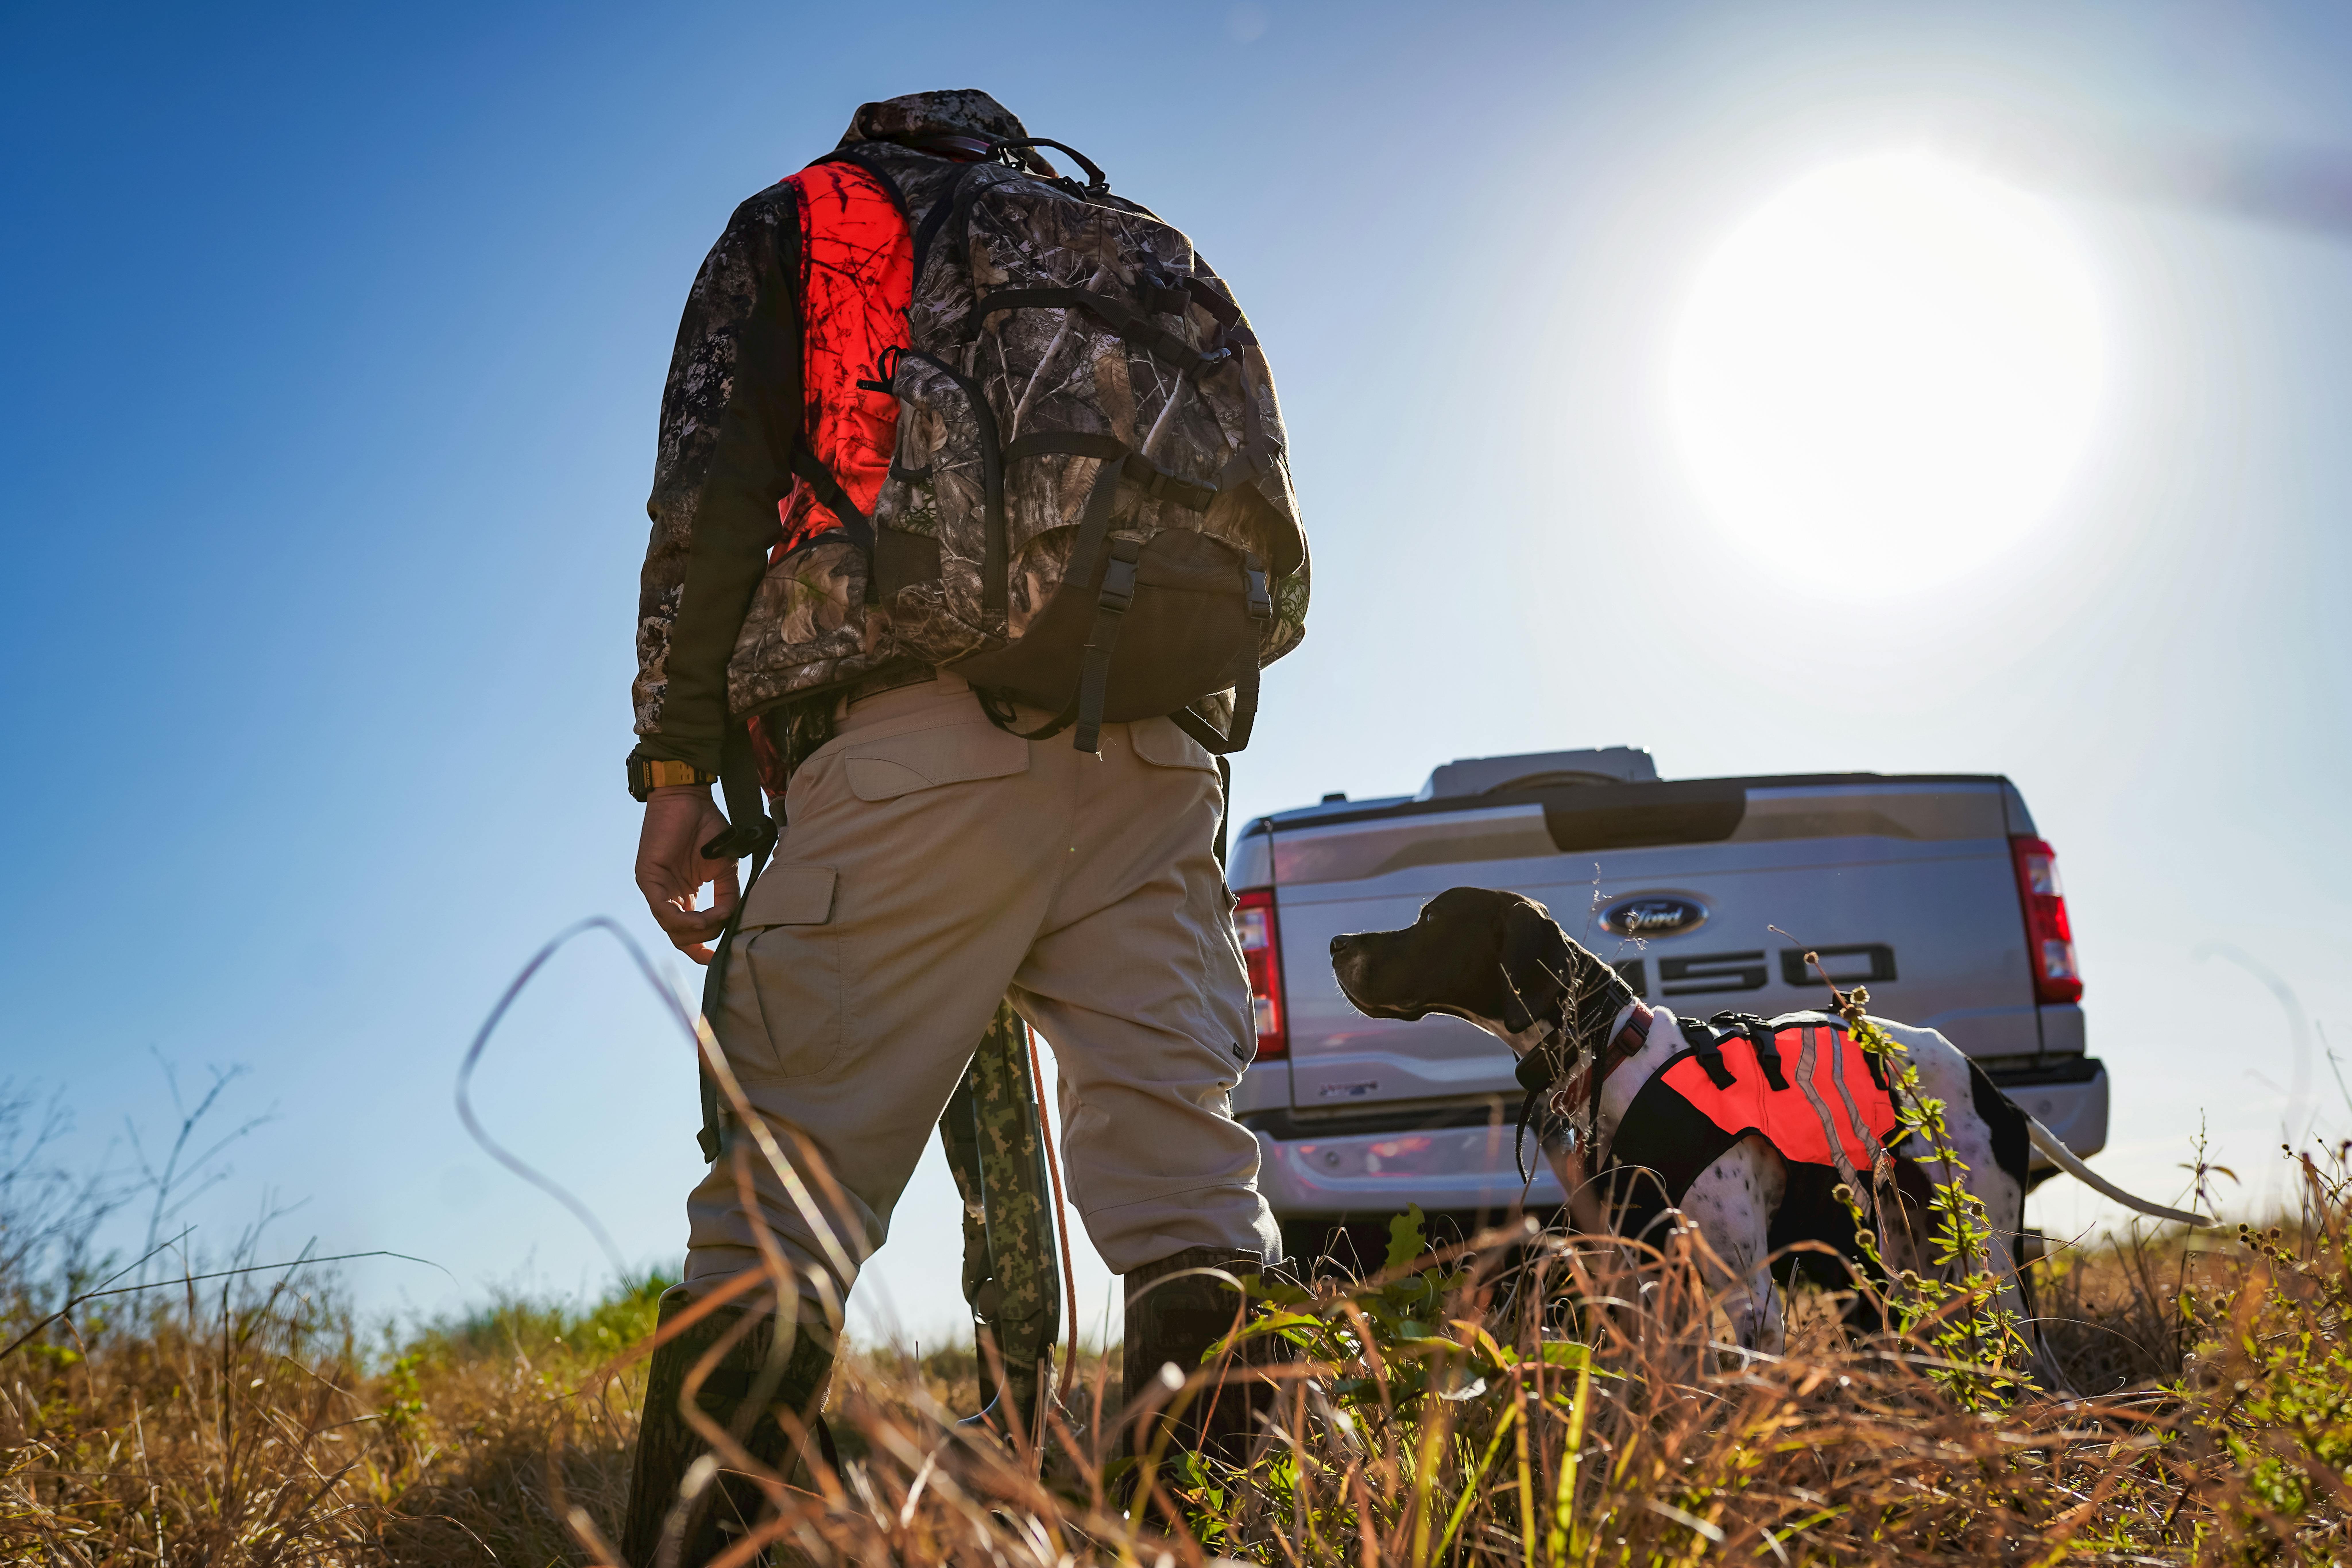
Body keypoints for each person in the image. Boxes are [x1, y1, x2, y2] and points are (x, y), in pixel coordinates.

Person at [618, 89, 1302, 1563]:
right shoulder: (1117, 230)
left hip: (915, 738)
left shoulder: (821, 219)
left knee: (779, 1209)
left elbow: (713, 498)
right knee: (1190, 1203)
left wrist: (677, 768)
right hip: (1165, 752)